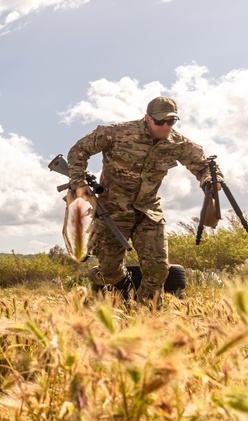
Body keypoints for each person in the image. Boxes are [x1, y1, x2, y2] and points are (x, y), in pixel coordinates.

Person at [68, 96, 221, 305]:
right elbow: (79, 150)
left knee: (158, 271)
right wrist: (79, 182)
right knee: (111, 272)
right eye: (160, 122)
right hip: (112, 211)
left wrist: (210, 181)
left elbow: (204, 166)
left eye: (171, 122)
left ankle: (146, 319)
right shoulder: (117, 133)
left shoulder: (178, 143)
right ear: (148, 118)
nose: (165, 126)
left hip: (149, 211)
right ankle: (98, 284)